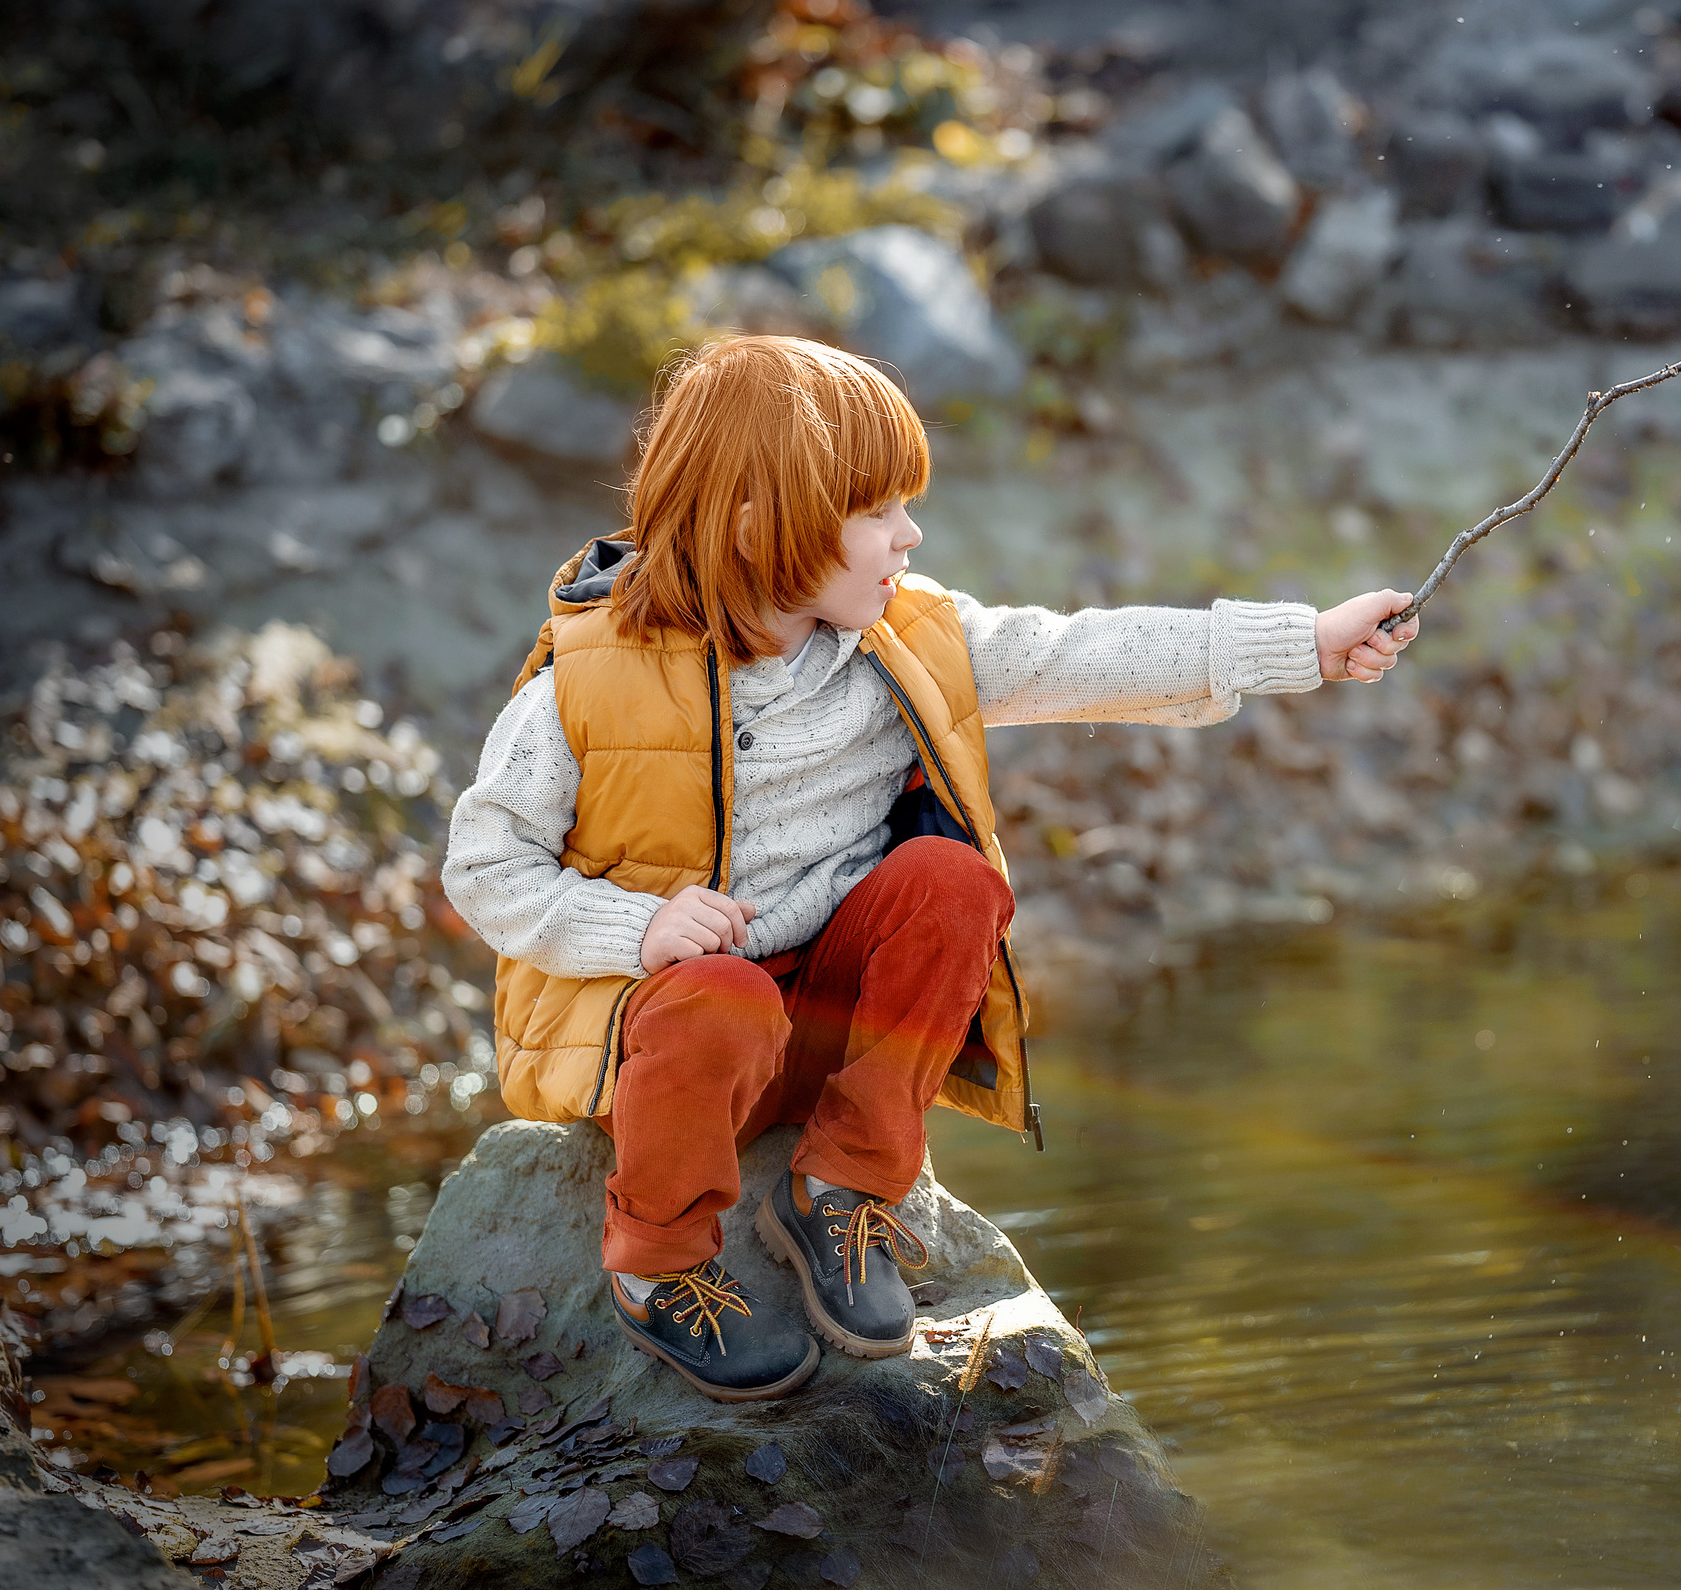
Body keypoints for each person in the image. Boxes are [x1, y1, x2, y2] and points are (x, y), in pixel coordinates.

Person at [441, 334, 1417, 1401]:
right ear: (765, 528)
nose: (910, 535)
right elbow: (484, 866)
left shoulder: (903, 636)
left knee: (954, 882)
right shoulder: (587, 685)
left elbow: (1081, 653)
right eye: (878, 512)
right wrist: (634, 930)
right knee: (716, 996)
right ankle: (659, 1262)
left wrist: (1306, 641)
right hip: (673, 1043)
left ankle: (840, 1188)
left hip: (828, 1028)